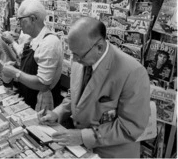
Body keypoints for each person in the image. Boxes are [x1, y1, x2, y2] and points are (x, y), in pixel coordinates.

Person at [39, 17, 150, 158]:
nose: (74, 59)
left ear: (100, 47)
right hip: (80, 148)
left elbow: (130, 126)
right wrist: (58, 113)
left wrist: (83, 136)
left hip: (111, 153)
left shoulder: (133, 73)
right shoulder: (81, 55)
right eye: (72, 53)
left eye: (78, 55)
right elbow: (75, 94)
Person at [1, 0, 63, 111]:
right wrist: (16, 66)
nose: (18, 23)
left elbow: (43, 84)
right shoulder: (32, 39)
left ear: (33, 19)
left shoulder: (49, 43)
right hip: (28, 97)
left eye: (20, 19)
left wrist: (16, 73)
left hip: (41, 103)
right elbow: (30, 65)